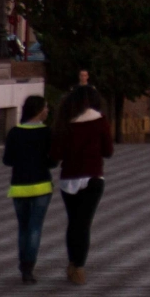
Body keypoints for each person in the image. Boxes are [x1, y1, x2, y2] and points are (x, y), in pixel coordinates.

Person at [50, 83, 114, 286]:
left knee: (73, 222)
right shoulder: (100, 121)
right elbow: (108, 151)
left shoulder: (65, 122)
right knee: (84, 224)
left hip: (68, 179)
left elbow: (56, 154)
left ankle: (72, 263)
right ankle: (78, 267)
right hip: (93, 177)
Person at [3, 94, 53, 283]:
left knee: (23, 228)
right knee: (35, 228)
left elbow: (7, 160)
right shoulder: (47, 132)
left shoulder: (14, 132)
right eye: (46, 107)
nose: (48, 111)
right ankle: (29, 267)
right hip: (41, 187)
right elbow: (53, 160)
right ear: (39, 110)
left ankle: (23, 265)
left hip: (19, 187)